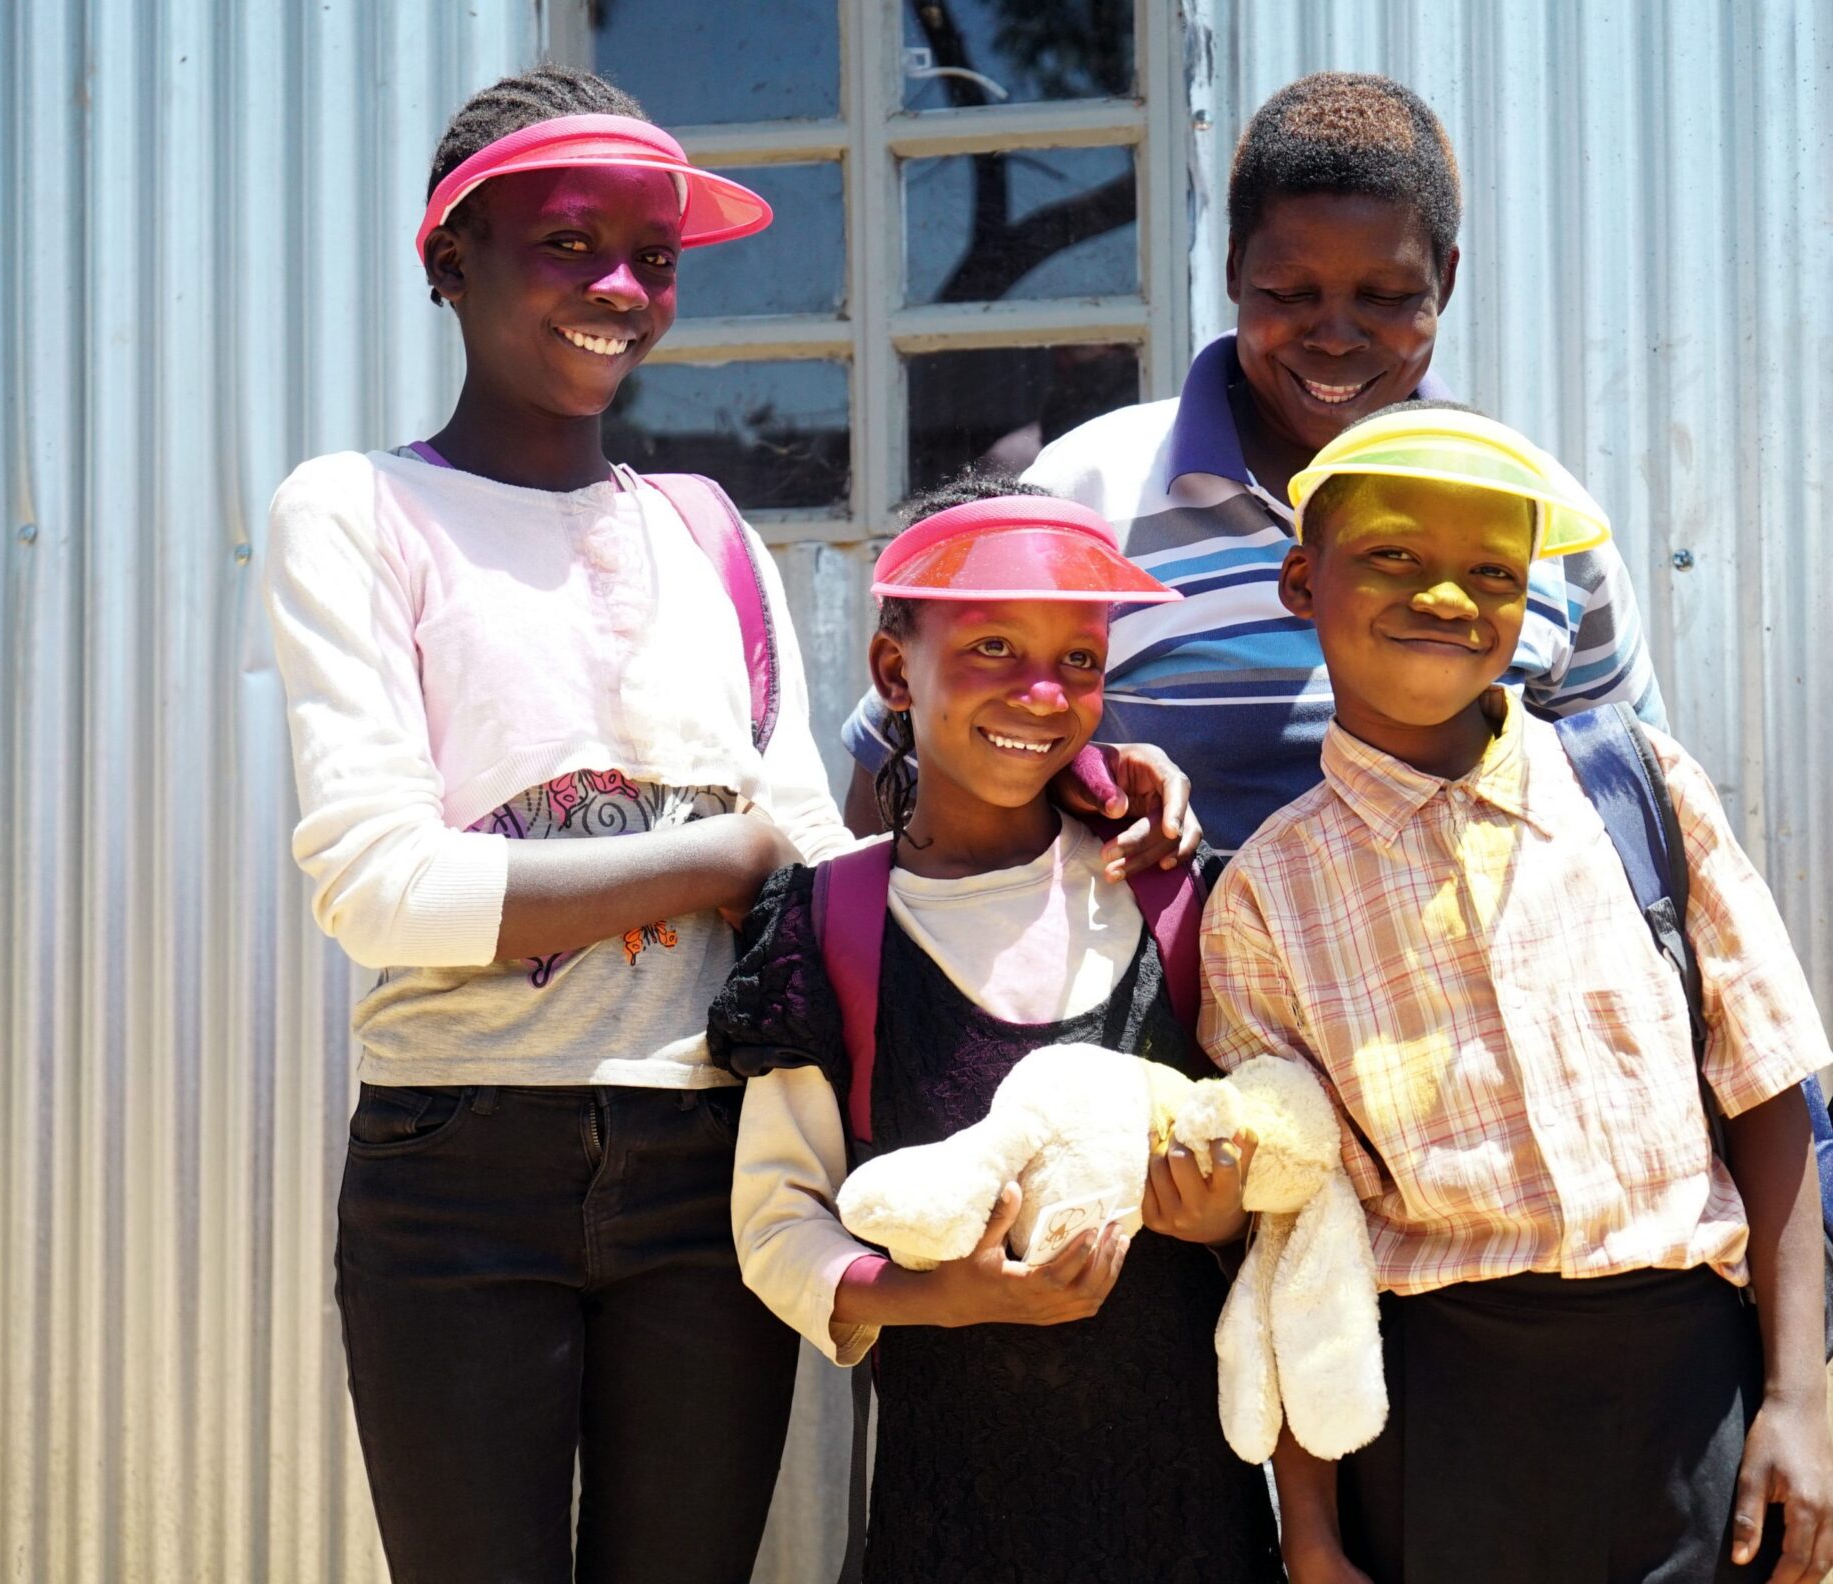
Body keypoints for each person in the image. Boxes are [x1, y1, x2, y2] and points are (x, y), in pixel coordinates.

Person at [262, 63, 859, 1583]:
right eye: (568, 243)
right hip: (457, 1161)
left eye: (652, 258)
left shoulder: (707, 532)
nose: (619, 288)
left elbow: (812, 854)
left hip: (706, 1157)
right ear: (449, 260)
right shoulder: (356, 512)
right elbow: (383, 890)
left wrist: (1055, 812)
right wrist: (718, 855)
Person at [1197, 404, 1833, 1584]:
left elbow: (1766, 1094)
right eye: (1393, 554)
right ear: (1301, 578)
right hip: (1437, 1423)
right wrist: (1315, 1530)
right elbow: (1299, 1239)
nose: (1445, 597)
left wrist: (1799, 1400)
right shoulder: (1266, 895)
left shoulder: (1637, 788)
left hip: (1692, 1398)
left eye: (1492, 570)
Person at [839, 72, 1663, 858]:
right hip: (1168, 1002)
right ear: (1234, 270)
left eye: (1383, 297)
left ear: (1442, 281)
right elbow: (901, 773)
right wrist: (1085, 779)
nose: (1335, 336)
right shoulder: (1088, 496)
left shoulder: (1541, 519)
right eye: (1290, 293)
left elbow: (1639, 805)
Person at [708, 474, 1285, 1584]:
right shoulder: (836, 923)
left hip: (1194, 1524)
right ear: (894, 671)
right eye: (992, 650)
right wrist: (938, 1297)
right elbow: (777, 1228)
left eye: (1078, 659)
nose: (1040, 693)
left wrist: (1223, 1222)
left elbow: (1280, 1176)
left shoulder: (1166, 896)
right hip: (950, 1524)